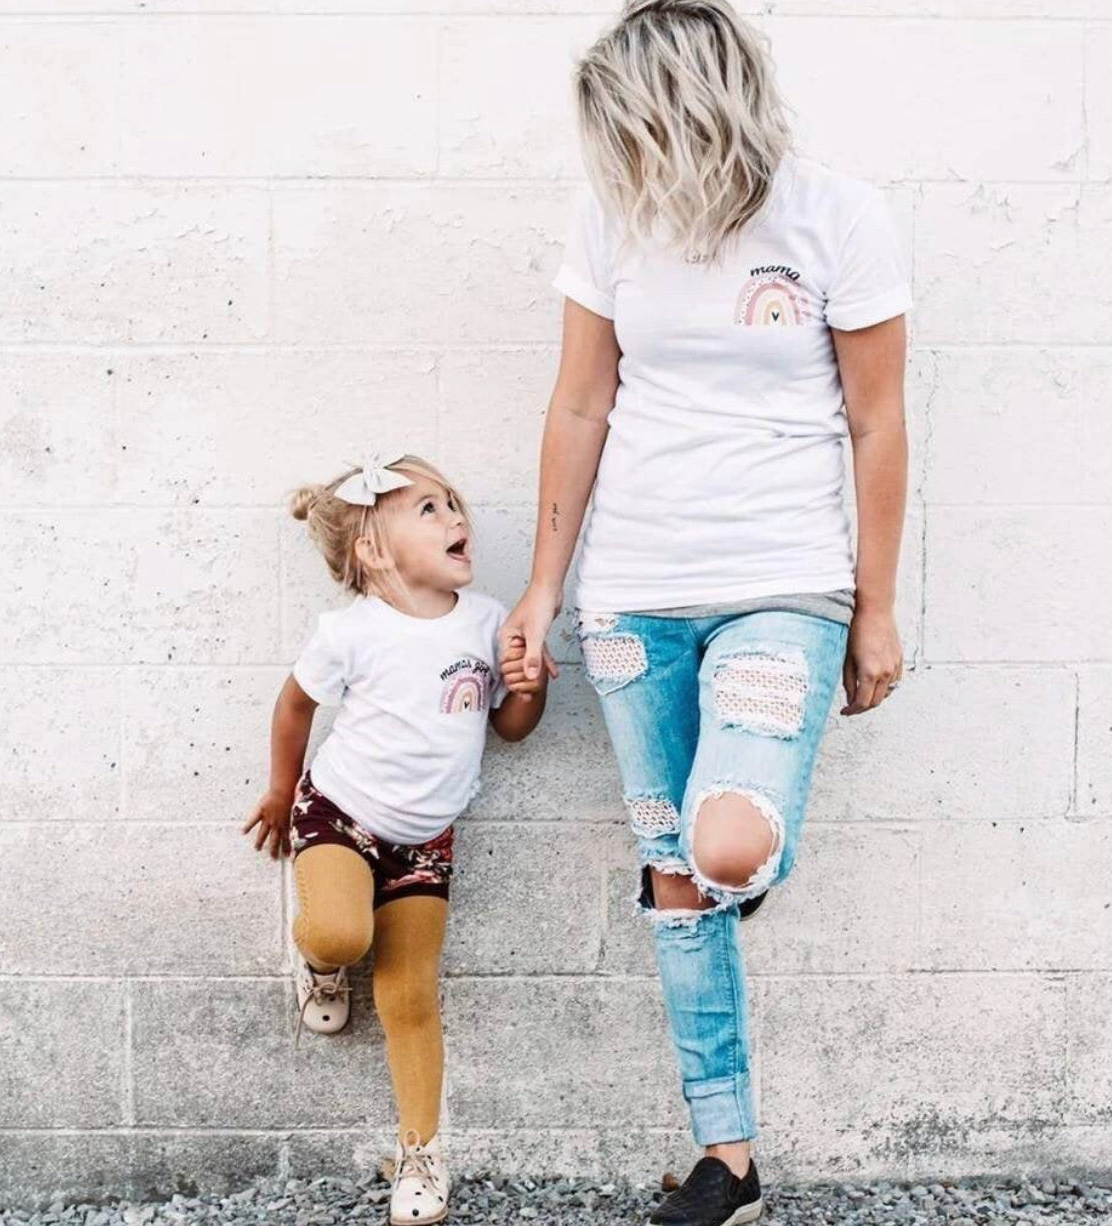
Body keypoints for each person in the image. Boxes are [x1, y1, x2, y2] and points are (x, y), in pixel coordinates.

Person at [501, 3, 911, 1223]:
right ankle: (727, 1154)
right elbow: (581, 403)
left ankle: (747, 865)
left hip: (783, 582)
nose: (625, 155)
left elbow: (877, 420)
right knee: (672, 878)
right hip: (633, 592)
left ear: (695, 105)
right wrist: (543, 585)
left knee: (722, 847)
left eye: (639, 127)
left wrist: (876, 606)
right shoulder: (613, 217)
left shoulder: (837, 216)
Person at [244, 452, 551, 1226]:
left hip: (425, 841)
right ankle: (320, 965)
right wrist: (281, 791)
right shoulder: (350, 631)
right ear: (373, 551)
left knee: (410, 995)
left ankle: (421, 1156)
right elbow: (294, 707)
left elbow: (511, 728)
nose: (456, 517)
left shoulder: (487, 623)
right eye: (430, 509)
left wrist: (531, 685)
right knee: (342, 935)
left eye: (454, 503)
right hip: (339, 815)